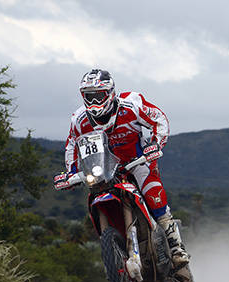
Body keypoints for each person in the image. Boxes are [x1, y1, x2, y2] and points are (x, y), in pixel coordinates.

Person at [55, 69, 189, 266]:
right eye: (88, 97)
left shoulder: (131, 104)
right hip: (103, 170)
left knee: (152, 192)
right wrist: (70, 173)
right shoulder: (79, 119)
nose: (93, 102)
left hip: (137, 161)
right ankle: (115, 248)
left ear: (110, 93)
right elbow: (72, 145)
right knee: (92, 196)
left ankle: (176, 248)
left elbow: (158, 119)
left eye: (98, 96)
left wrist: (156, 144)